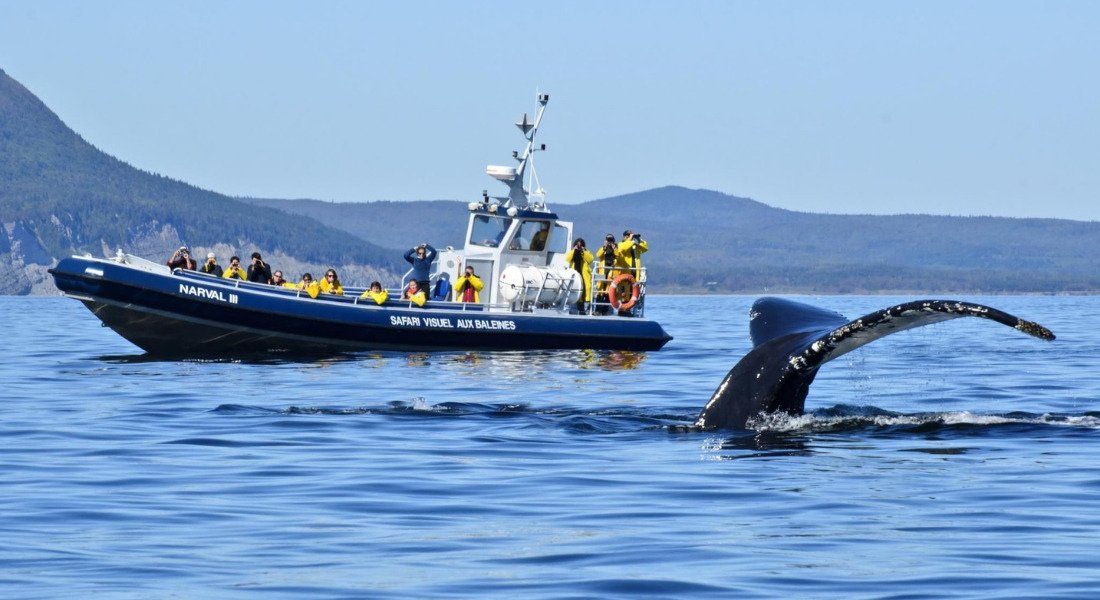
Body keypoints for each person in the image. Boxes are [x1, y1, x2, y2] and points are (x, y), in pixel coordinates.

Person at [564, 238, 594, 313]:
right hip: (575, 276)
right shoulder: (572, 252)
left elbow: (590, 260)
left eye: (581, 245)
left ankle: (585, 309)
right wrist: (574, 250)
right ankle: (575, 309)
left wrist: (583, 251)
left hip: (584, 276)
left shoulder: (586, 252)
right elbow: (567, 259)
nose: (579, 246)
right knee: (575, 290)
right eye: (578, 245)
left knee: (586, 289)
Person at [594, 234, 618, 314]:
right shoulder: (603, 248)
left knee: (608, 291)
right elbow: (598, 255)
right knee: (600, 291)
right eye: (608, 240)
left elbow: (618, 256)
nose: (609, 241)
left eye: (611, 240)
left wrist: (614, 248)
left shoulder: (616, 249)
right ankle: (597, 309)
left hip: (611, 273)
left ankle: (605, 310)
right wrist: (604, 247)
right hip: (602, 272)